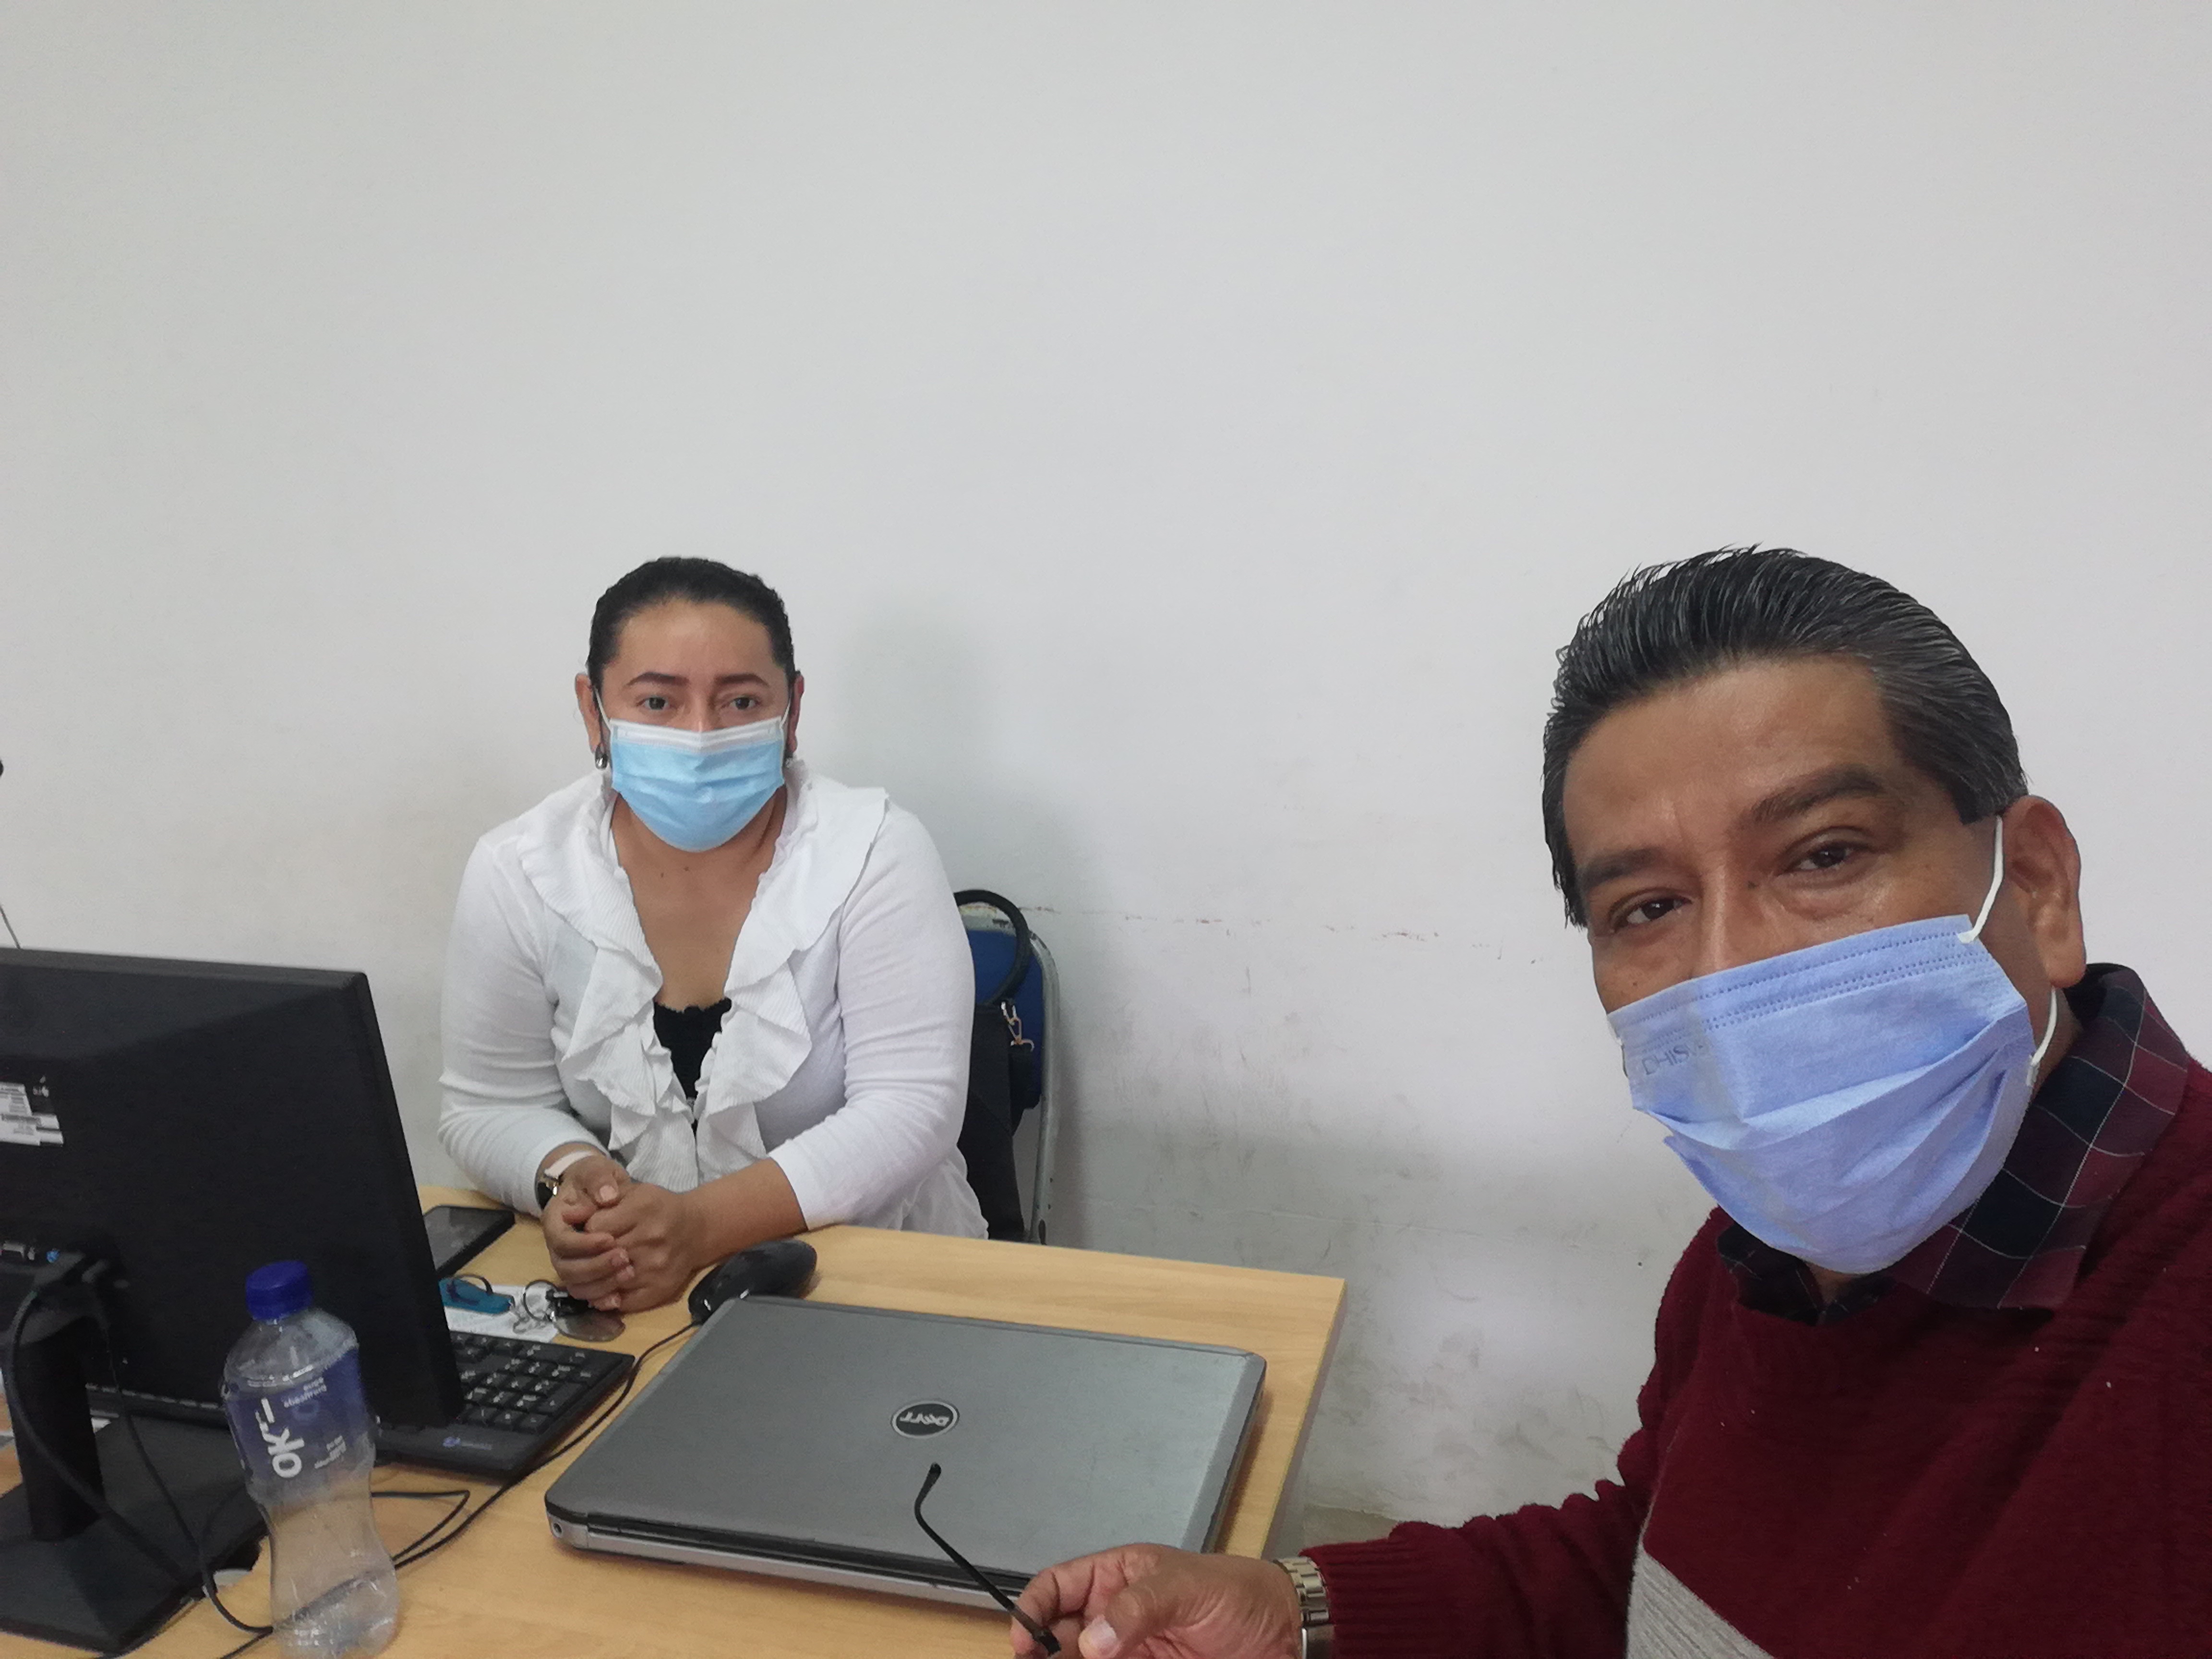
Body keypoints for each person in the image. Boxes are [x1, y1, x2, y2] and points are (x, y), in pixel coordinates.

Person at [1015, 548, 2211, 1659]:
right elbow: (1653, 1562)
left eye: (1824, 854)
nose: (1730, 970)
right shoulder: (1758, 1255)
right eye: (1648, 908)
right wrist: (1298, 1611)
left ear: (2037, 885)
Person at [439, 557, 984, 1313]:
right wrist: (574, 1182)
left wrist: (697, 1228)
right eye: (658, 701)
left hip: (877, 1281)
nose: (700, 735)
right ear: (594, 712)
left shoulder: (874, 851)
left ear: (792, 710)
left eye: (740, 701)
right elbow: (488, 1106)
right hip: (631, 1284)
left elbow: (911, 1108)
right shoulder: (521, 870)